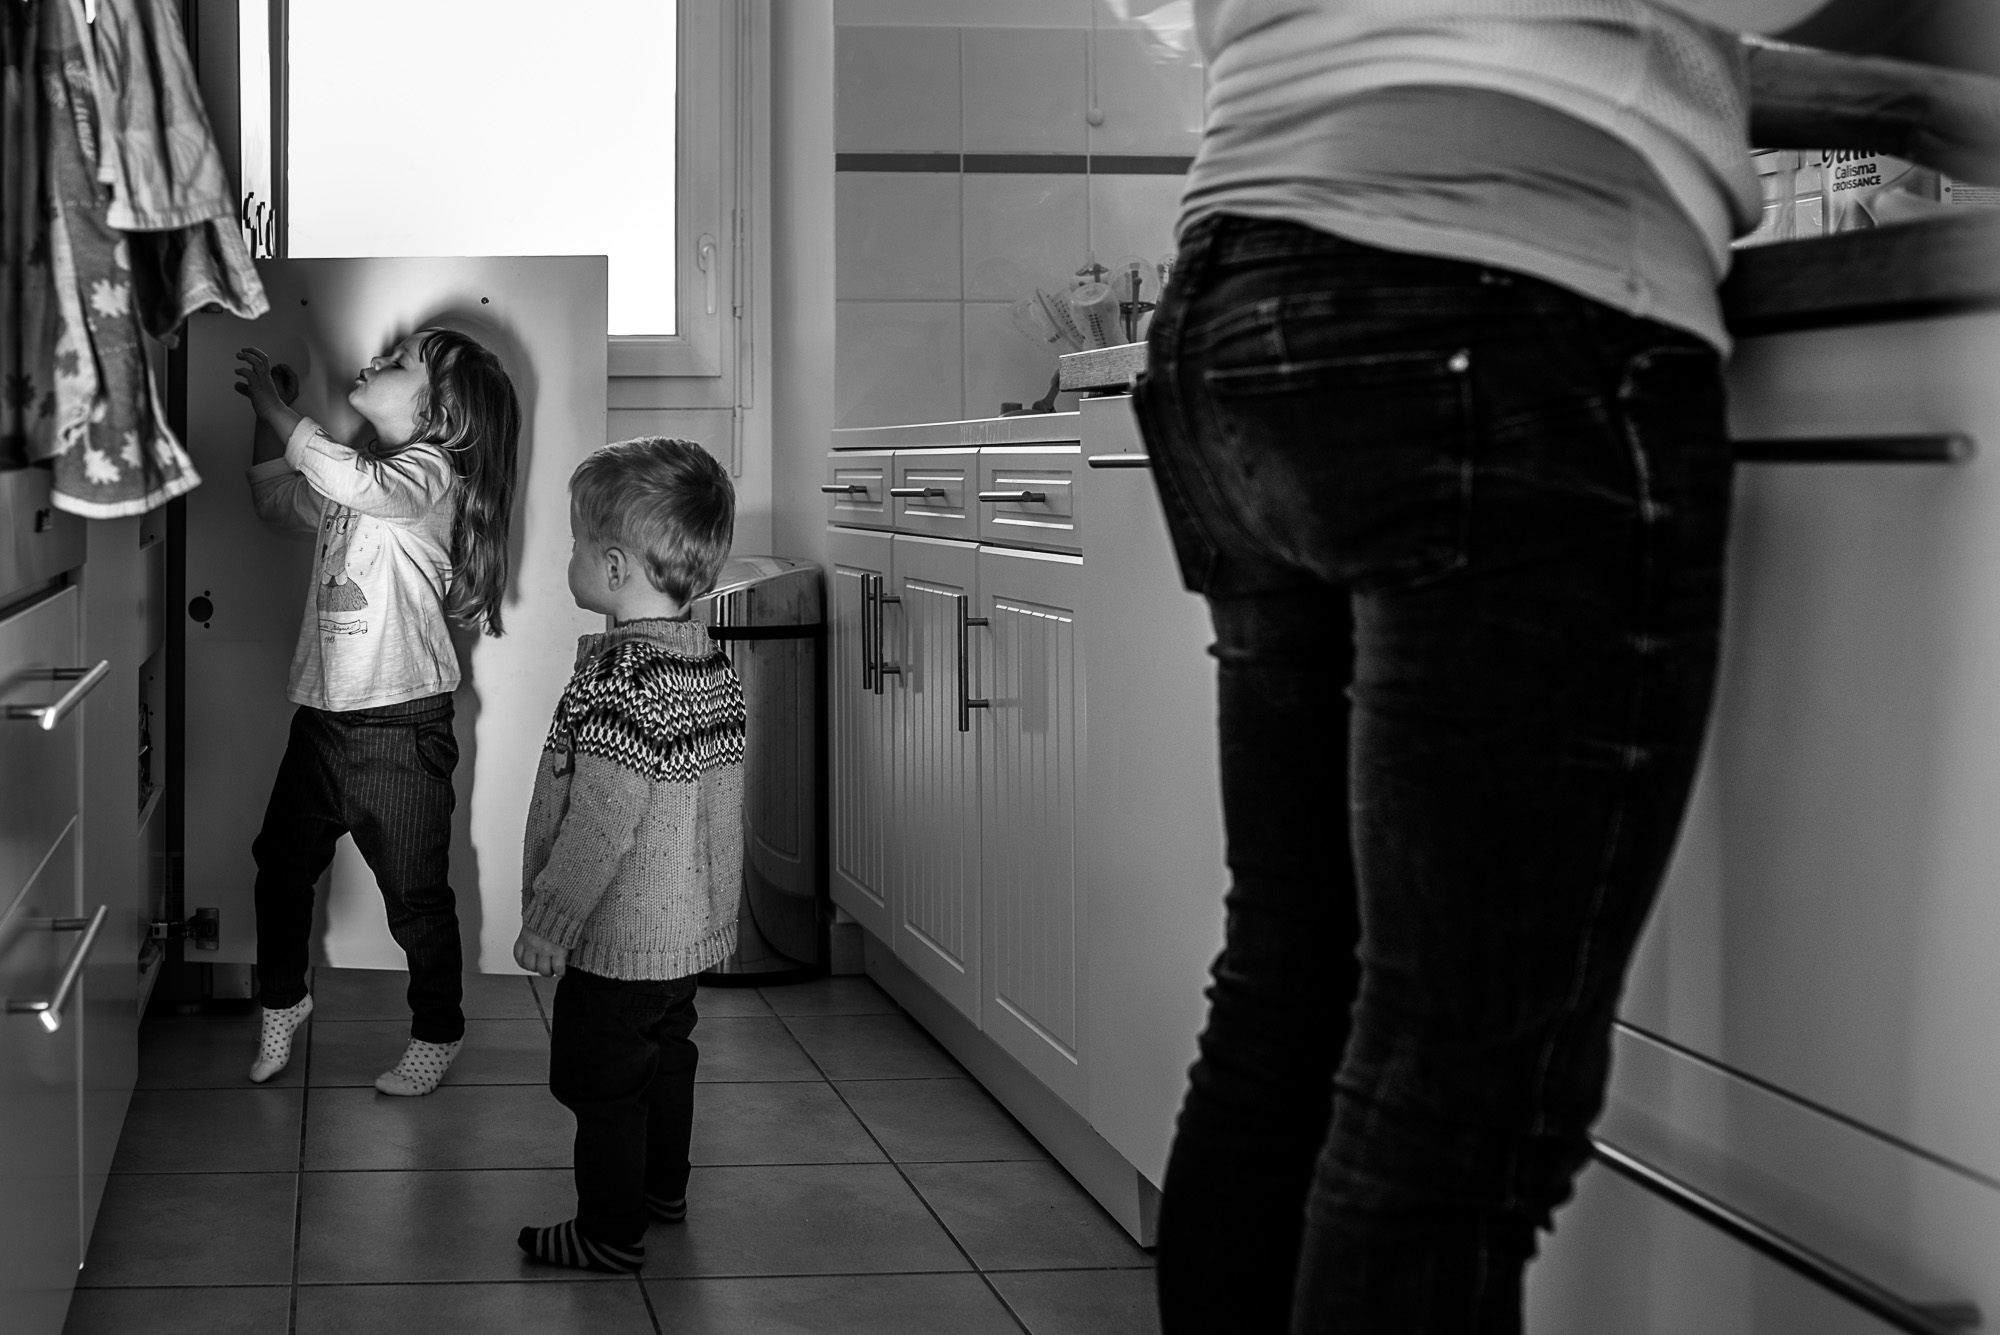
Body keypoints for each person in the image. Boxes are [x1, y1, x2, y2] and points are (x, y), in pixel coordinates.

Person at [1130, 3, 2000, 1331]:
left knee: (1287, 993)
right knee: (1452, 1094)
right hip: (1499, 293)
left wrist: (1898, 102)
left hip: (1240, 294)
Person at [234, 328, 519, 1096]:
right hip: (325, 722)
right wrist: (272, 418)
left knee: (417, 900)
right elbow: (272, 500)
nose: (375, 361)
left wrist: (279, 408)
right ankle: (284, 997)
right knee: (280, 863)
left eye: (398, 362)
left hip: (401, 725)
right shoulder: (351, 477)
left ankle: (438, 1028)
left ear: (442, 408)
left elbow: (359, 481)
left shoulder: (428, 474)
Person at [511, 436, 745, 1274]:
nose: (567, 555)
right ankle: (661, 1188)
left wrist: (551, 920)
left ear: (613, 568)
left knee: (600, 1081)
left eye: (575, 543)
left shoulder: (621, 681)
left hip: (618, 940)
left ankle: (609, 1229)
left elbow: (602, 822)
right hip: (683, 931)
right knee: (667, 1055)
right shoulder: (710, 664)